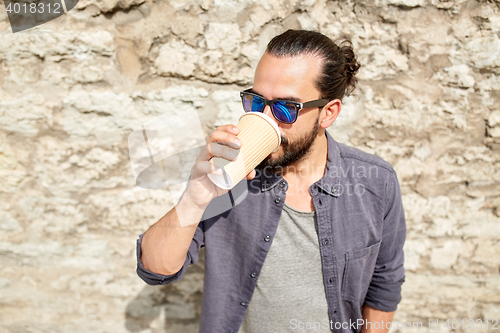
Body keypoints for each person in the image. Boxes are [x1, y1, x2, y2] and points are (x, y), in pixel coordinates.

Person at [136, 29, 406, 333]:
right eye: (256, 101)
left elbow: (385, 281)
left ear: (328, 113)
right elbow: (154, 269)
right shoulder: (227, 175)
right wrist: (195, 198)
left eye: (285, 108)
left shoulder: (376, 183)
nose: (265, 117)